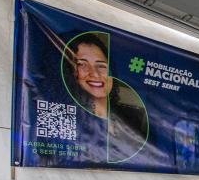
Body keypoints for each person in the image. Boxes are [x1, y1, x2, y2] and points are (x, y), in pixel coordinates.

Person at [63, 32, 148, 162]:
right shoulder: (68, 123)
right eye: (82, 64)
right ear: (71, 72)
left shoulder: (134, 120)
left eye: (101, 66)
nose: (95, 74)